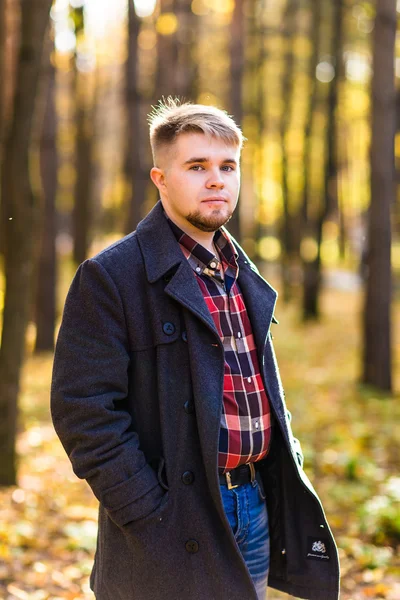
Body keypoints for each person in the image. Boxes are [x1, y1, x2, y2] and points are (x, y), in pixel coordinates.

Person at [51, 99, 340, 600]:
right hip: (171, 521)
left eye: (228, 166)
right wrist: (147, 511)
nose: (216, 180)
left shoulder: (239, 271)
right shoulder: (110, 278)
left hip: (254, 504)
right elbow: (83, 414)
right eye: (197, 166)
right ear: (160, 178)